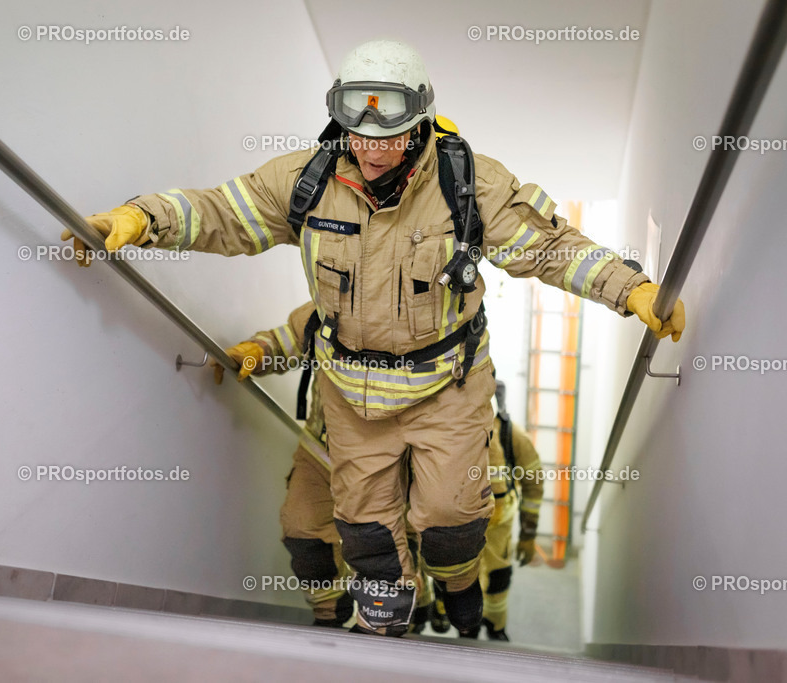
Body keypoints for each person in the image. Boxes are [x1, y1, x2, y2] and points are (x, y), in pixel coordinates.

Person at [62, 39, 686, 637]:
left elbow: (549, 246)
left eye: (387, 135)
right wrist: (141, 218)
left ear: (420, 121)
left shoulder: (470, 183)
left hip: (449, 385)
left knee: (450, 520)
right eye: (358, 133)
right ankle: (388, 628)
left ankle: (460, 589)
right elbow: (222, 212)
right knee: (364, 533)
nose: (371, 149)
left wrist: (630, 290)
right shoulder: (305, 180)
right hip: (350, 391)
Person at [216, 302, 436, 632]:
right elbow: (290, 338)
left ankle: (393, 619)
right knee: (302, 529)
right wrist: (257, 351)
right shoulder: (336, 295)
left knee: (385, 544)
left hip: (387, 456)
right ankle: (329, 611)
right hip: (322, 448)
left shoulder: (426, 311)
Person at [429, 380, 543, 641]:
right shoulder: (441, 433)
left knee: (497, 579)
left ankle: (495, 626)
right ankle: (461, 623)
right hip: (453, 525)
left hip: (497, 528)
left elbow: (533, 484)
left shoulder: (510, 434)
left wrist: (528, 535)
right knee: (451, 574)